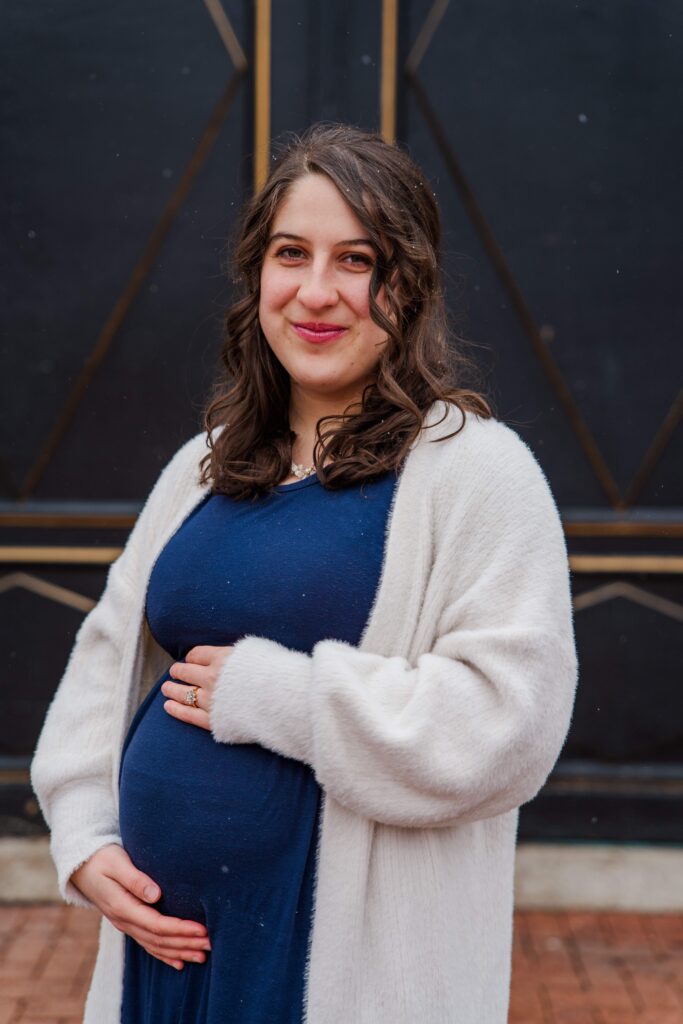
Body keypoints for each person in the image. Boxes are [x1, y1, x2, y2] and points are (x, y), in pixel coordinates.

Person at [31, 122, 578, 1024]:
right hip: (161, 962)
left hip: (339, 979)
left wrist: (279, 696)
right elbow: (104, 662)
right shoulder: (201, 466)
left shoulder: (477, 472)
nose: (316, 292)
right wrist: (85, 836)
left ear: (408, 284)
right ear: (257, 274)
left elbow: (507, 725)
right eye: (291, 253)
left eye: (356, 260)